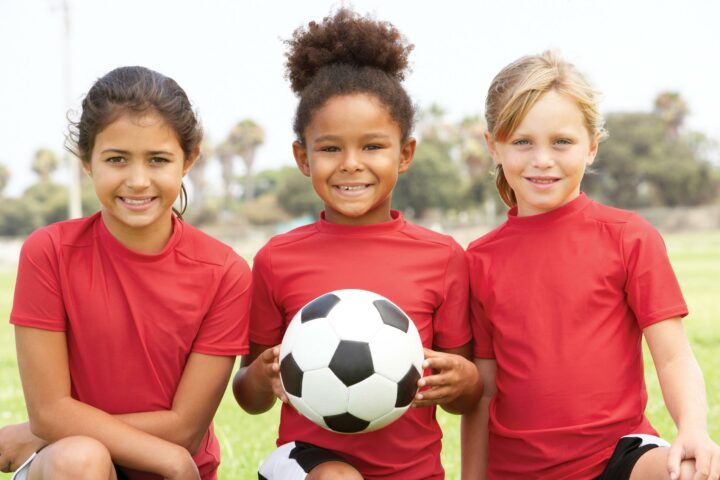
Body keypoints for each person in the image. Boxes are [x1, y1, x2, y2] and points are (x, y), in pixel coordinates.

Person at [232, 8, 481, 480]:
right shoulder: (276, 259)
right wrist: (260, 378)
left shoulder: (442, 257)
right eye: (330, 148)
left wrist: (465, 380)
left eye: (372, 146)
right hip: (305, 466)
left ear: (404, 154)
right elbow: (248, 397)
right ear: (303, 158)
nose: (350, 164)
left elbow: (465, 394)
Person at [462, 50, 720, 480]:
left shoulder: (628, 237)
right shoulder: (479, 260)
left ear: (592, 146)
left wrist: (693, 429)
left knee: (700, 472)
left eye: (561, 142)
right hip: (519, 469)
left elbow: (673, 358)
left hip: (617, 456)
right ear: (493, 146)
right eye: (522, 141)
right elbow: (484, 392)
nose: (542, 159)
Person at [0, 66, 251, 480]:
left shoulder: (225, 273)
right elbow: (49, 410)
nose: (137, 181)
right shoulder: (49, 253)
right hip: (74, 465)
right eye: (117, 159)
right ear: (86, 160)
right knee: (80, 457)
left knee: (80, 445)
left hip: (175, 469)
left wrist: (37, 433)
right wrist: (49, 431)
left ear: (188, 159)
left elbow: (184, 429)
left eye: (158, 159)